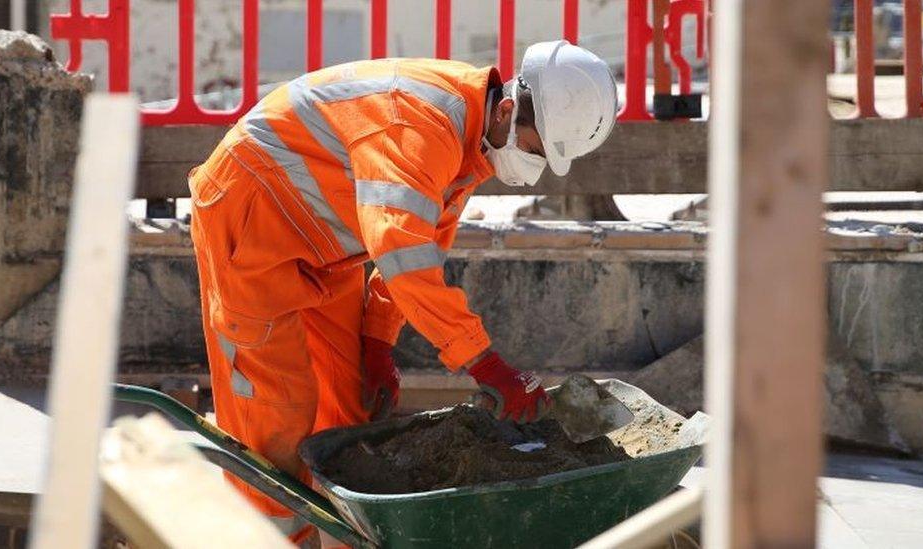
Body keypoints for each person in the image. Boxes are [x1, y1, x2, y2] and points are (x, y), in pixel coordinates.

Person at [188, 39, 618, 535]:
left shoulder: (471, 138)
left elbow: (422, 245)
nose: (532, 166)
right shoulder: (415, 124)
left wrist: (376, 341)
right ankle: (262, 539)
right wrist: (485, 362)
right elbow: (400, 253)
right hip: (250, 220)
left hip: (325, 245)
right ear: (506, 110)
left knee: (348, 411)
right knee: (276, 417)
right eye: (534, 149)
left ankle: (343, 538)